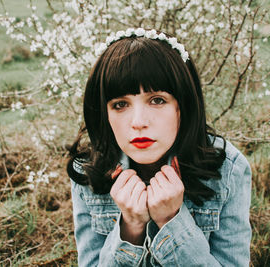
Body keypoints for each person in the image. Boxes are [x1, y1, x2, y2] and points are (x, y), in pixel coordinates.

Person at [67, 28, 252, 266]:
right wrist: (130, 229)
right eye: (120, 104)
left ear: (182, 106)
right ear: (104, 113)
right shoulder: (88, 170)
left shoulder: (227, 169)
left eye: (157, 100)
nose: (138, 122)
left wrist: (172, 221)